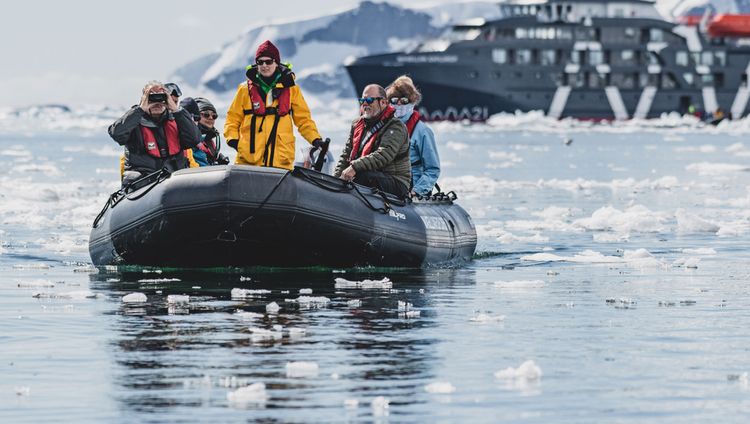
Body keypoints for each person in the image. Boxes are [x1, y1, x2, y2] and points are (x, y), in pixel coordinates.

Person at [224, 40, 324, 170]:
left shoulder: (292, 89)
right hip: (249, 161)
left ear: (276, 62)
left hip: (280, 162)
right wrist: (234, 141)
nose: (264, 65)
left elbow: (304, 120)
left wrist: (315, 139)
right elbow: (232, 119)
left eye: (269, 61)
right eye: (260, 62)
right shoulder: (244, 89)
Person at [109, 81, 201, 187]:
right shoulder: (133, 121)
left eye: (161, 96)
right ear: (143, 98)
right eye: (151, 97)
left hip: (174, 183)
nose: (157, 102)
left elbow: (195, 139)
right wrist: (140, 109)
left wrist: (175, 109)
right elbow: (116, 133)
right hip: (144, 185)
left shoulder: (177, 120)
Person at [333, 84, 411, 198]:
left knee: (362, 176)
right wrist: (335, 180)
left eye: (369, 100)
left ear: (383, 102)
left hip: (396, 181)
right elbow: (346, 154)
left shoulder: (396, 127)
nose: (365, 103)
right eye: (362, 100)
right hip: (371, 174)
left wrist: (354, 167)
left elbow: (384, 155)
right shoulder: (357, 125)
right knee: (357, 176)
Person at [385, 76, 440, 197]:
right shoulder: (384, 127)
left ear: (412, 101)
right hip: (387, 180)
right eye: (394, 100)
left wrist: (417, 191)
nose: (399, 104)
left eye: (404, 100)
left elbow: (432, 169)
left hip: (410, 184)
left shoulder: (423, 131)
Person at [181, 96, 229, 166]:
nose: (210, 118)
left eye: (214, 116)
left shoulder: (208, 140)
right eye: (206, 114)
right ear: (195, 116)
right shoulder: (190, 138)